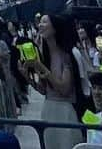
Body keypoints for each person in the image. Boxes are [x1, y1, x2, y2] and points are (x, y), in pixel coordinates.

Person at [21, 15, 80, 149]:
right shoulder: (43, 54)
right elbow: (44, 90)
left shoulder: (67, 54)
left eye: (44, 22)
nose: (40, 25)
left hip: (65, 112)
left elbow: (64, 90)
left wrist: (41, 68)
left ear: (55, 28)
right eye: (40, 22)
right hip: (48, 109)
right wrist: (28, 78)